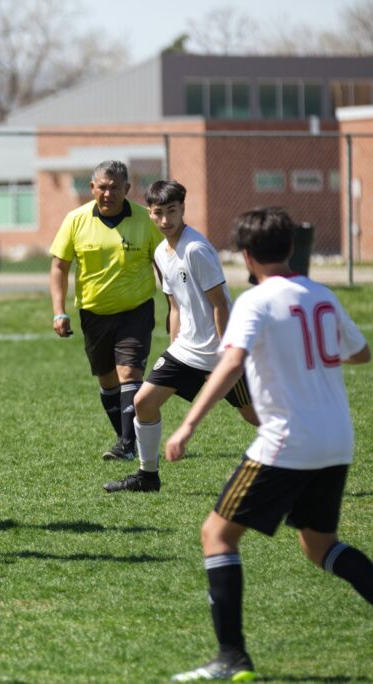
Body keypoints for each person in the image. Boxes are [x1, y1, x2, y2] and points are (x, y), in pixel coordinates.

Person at [164, 207, 373, 682]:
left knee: (217, 535)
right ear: (291, 248)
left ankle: (232, 657)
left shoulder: (256, 302)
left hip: (288, 440)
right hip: (336, 439)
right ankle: (232, 656)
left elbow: (231, 362)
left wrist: (188, 425)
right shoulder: (321, 294)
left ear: (246, 255)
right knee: (320, 546)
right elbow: (360, 351)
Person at [104, 180, 258, 494]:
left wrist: (229, 351)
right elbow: (174, 305)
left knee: (255, 415)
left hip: (219, 353)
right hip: (186, 351)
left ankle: (304, 455)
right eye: (158, 213)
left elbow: (220, 305)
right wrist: (173, 347)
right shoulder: (161, 252)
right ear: (149, 213)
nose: (165, 219)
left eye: (172, 211)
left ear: (182, 209)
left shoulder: (196, 249)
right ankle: (148, 477)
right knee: (143, 402)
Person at [50, 160, 163, 462]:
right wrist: (59, 311)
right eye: (102, 187)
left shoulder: (145, 220)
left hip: (136, 310)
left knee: (129, 372)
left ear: (127, 189)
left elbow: (164, 262)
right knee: (107, 380)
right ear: (92, 188)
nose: (108, 193)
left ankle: (127, 444)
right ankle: (127, 438)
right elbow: (59, 267)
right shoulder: (75, 219)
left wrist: (176, 302)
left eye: (115, 187)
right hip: (93, 313)